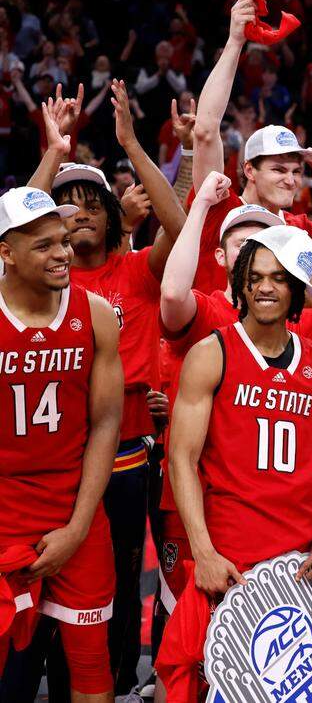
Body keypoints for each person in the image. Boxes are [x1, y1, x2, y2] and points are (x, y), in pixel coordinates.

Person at [156, 224, 312, 701]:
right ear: (242, 285)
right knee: (202, 684)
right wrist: (204, 552)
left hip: (302, 562)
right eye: (255, 277)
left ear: (295, 288)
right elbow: (182, 459)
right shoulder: (212, 353)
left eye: (277, 277)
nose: (265, 287)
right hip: (229, 558)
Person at [39, 79, 188, 695]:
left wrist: (131, 143)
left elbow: (178, 227)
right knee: (50, 586)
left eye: (91, 204)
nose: (80, 214)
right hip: (54, 461)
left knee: (123, 584)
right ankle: (50, 679)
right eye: (65, 206)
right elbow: (12, 226)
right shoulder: (36, 284)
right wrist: (53, 153)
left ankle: (123, 680)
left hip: (128, 456)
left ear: (108, 216)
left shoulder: (135, 272)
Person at [0, 186, 124, 702]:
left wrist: (76, 529)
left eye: (63, 241)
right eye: (44, 246)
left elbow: (105, 424)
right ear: (5, 252)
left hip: (77, 510)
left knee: (92, 670)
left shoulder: (94, 314)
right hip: (4, 511)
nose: (62, 254)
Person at [188, 0, 312, 294]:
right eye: (279, 169)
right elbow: (205, 131)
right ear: (250, 170)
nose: (291, 180)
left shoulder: (300, 226)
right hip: (215, 337)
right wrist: (235, 42)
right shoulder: (219, 208)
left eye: (296, 171)